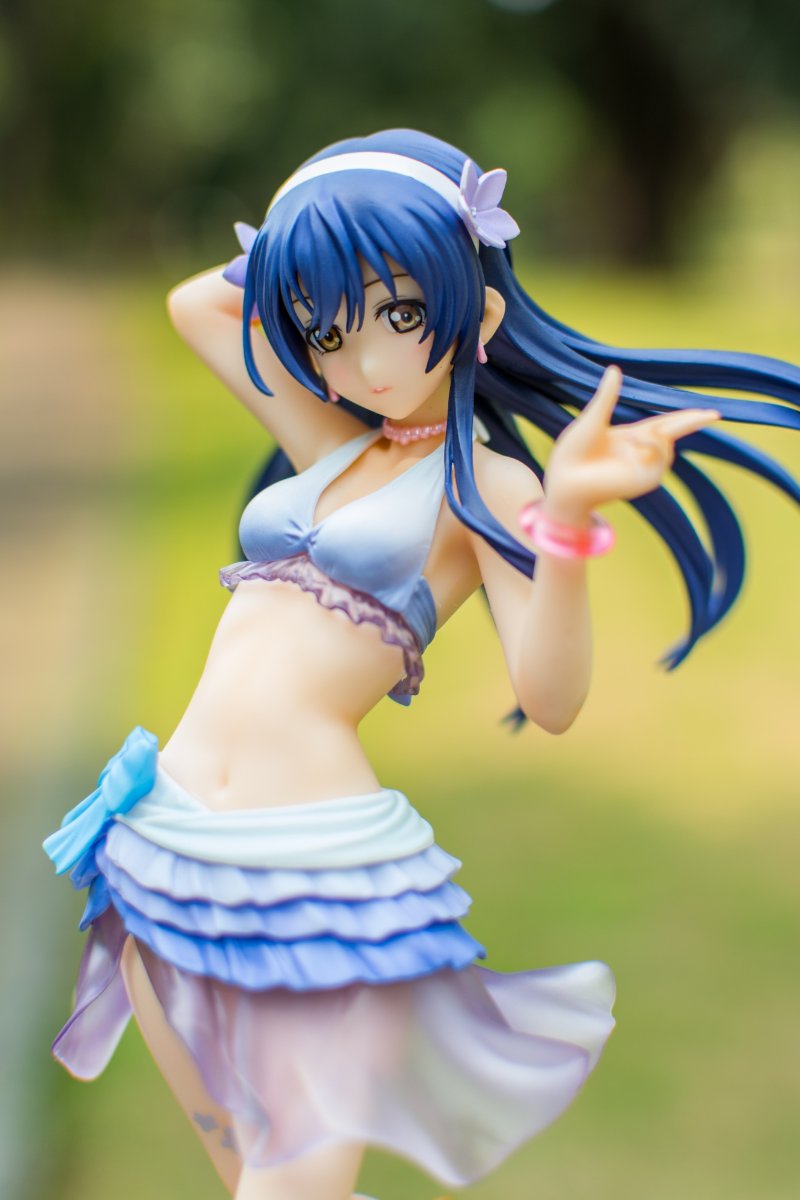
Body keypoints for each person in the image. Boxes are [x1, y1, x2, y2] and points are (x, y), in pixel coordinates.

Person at [44, 129, 799, 1200]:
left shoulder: (488, 489)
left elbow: (552, 698)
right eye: (325, 327)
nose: (361, 363)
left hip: (310, 869)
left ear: (475, 315)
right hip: (166, 834)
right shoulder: (329, 439)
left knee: (289, 1183)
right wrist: (317, 219)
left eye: (397, 314)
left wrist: (566, 520)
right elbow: (197, 304)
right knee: (253, 1174)